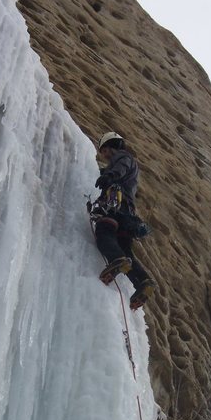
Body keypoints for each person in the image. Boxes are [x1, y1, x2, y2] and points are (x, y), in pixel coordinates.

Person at [89, 131, 156, 310]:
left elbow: (121, 167)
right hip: (127, 214)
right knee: (126, 249)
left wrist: (109, 176)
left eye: (104, 151)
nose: (104, 156)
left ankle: (116, 259)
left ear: (111, 147)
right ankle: (143, 282)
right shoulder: (126, 166)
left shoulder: (123, 157)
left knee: (104, 232)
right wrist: (104, 171)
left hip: (116, 205)